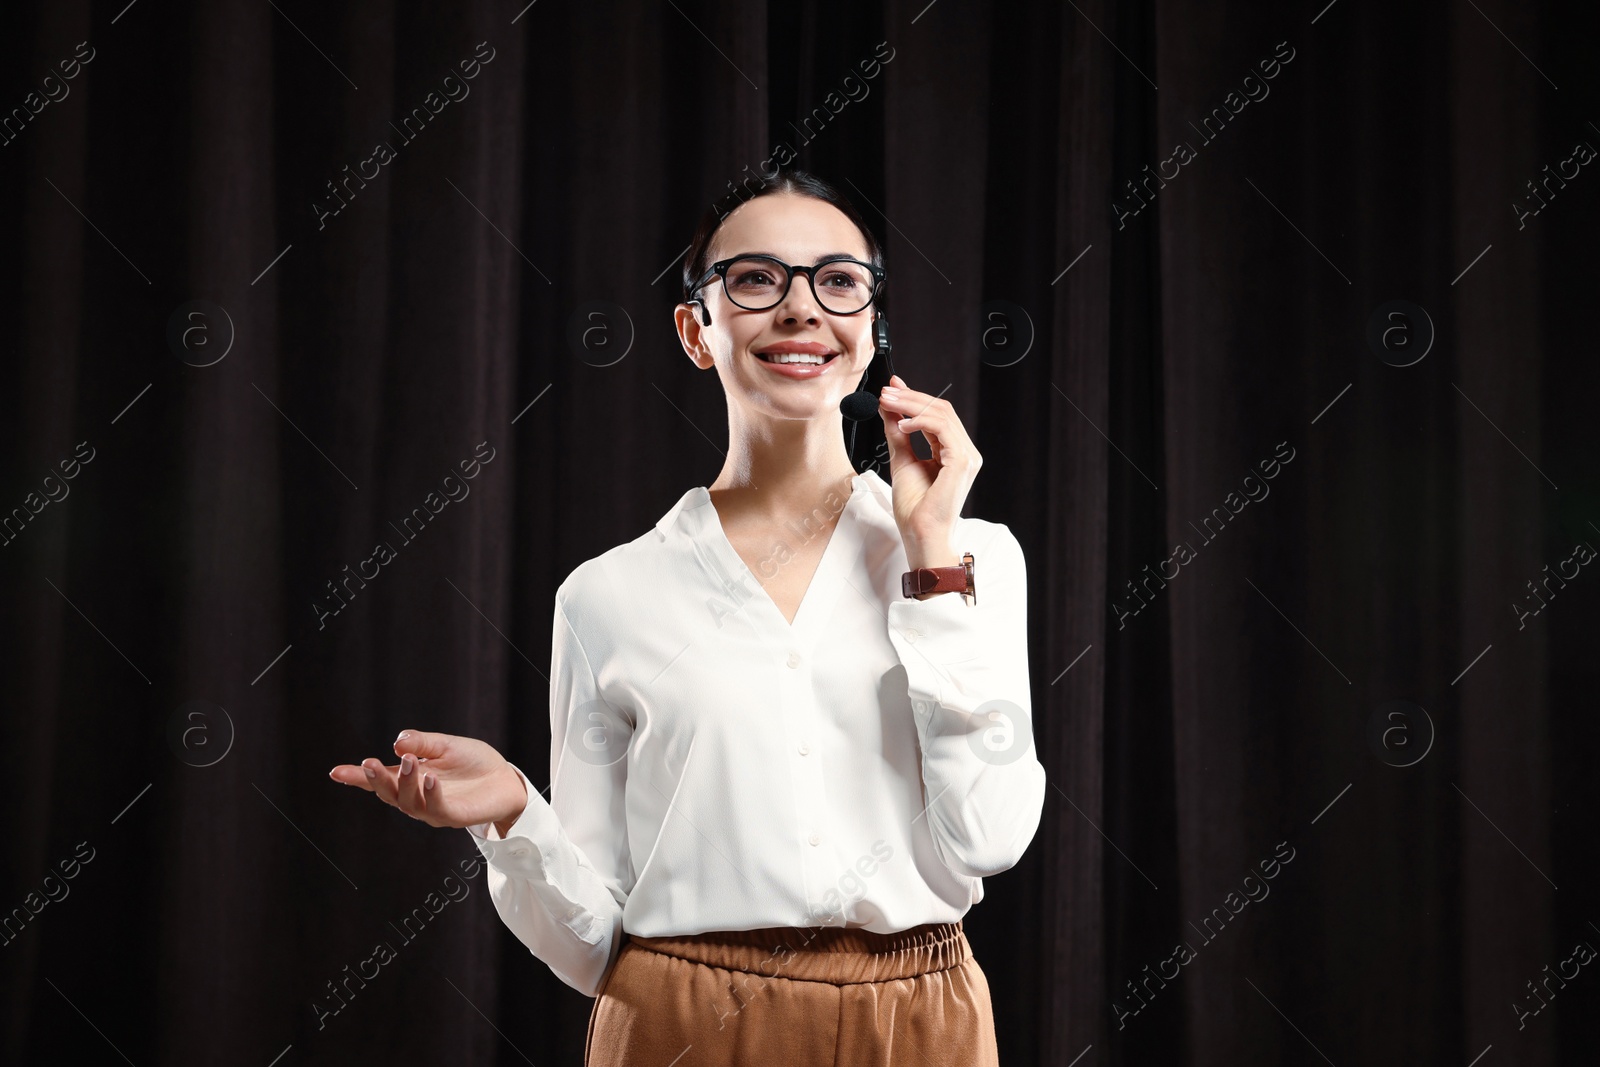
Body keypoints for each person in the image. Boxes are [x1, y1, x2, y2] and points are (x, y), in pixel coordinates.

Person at [329, 169, 1047, 1066]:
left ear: (871, 329)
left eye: (838, 279)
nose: (800, 308)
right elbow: (594, 944)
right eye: (755, 279)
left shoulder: (971, 556)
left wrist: (930, 553)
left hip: (922, 1026)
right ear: (696, 330)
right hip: (681, 1023)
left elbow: (990, 837)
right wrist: (515, 816)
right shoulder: (609, 595)